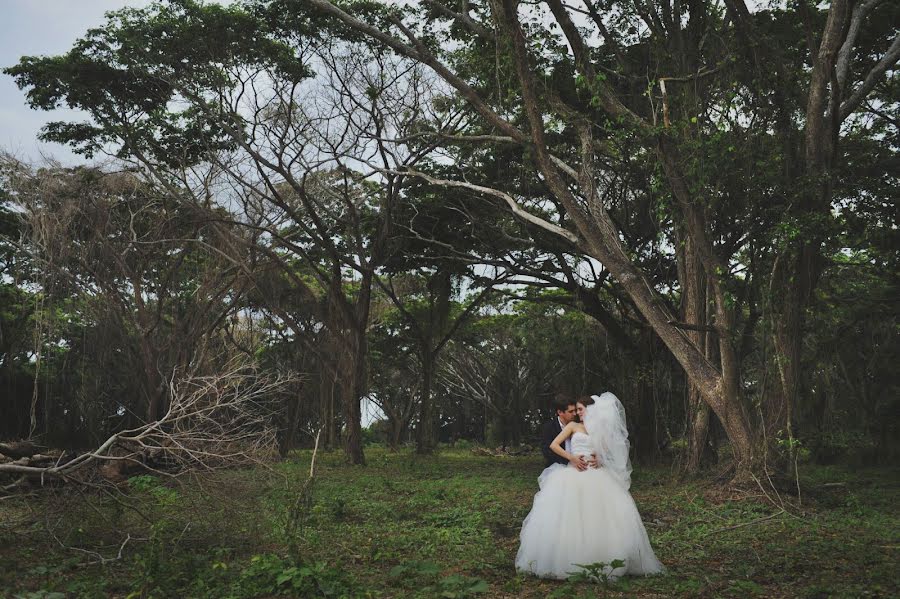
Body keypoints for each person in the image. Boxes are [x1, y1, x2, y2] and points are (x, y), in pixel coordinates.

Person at [516, 393, 664, 580]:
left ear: (591, 410)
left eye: (580, 409)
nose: (578, 413)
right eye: (575, 410)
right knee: (569, 515)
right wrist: (571, 458)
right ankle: (568, 559)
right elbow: (554, 445)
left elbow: (611, 450)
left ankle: (600, 558)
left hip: (596, 476)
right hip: (573, 473)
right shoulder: (573, 426)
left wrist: (600, 459)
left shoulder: (599, 430)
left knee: (597, 516)